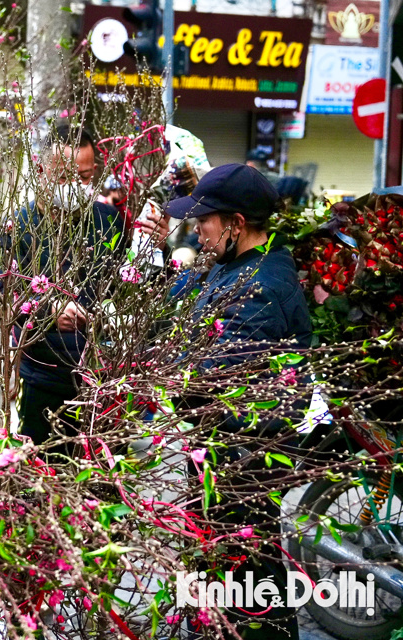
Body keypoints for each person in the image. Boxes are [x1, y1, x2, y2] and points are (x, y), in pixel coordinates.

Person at [165, 163, 311, 640]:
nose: (197, 230)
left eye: (203, 221)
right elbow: (185, 298)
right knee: (235, 568)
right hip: (227, 454)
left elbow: (220, 387)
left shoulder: (260, 289)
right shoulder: (242, 264)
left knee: (248, 576)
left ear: (235, 224)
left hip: (240, 458)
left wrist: (167, 381)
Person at [10, 125, 168, 448]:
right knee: (40, 478)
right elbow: (4, 299)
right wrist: (47, 312)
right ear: (42, 171)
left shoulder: (108, 220)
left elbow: (137, 288)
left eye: (84, 177)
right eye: (65, 177)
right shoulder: (20, 227)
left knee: (104, 484)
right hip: (44, 382)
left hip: (102, 384)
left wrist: (156, 248)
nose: (76, 187)